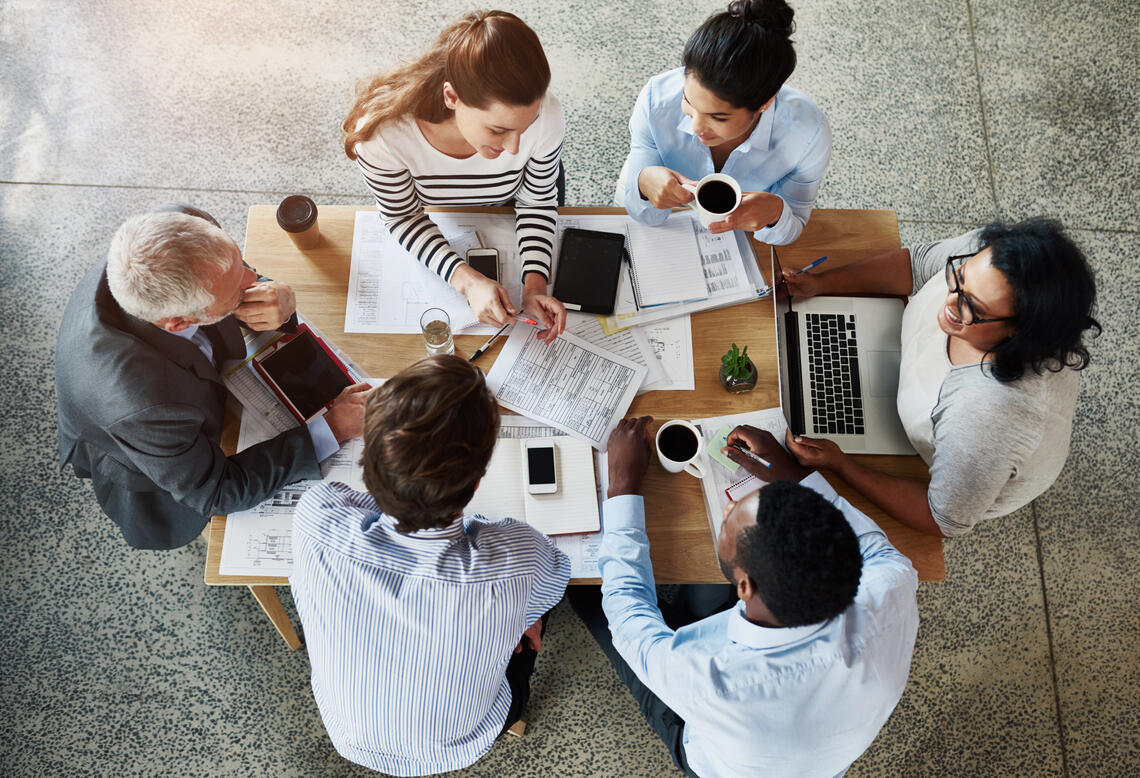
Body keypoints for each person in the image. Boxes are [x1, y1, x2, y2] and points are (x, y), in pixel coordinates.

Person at [570, 418, 918, 778]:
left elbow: (628, 614)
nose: (728, 510)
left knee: (586, 592)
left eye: (732, 521)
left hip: (713, 756)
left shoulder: (709, 683)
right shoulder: (893, 588)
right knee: (696, 598)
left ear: (745, 588)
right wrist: (793, 477)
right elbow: (879, 553)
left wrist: (623, 487)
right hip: (821, 759)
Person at [290, 355, 571, 776]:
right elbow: (557, 574)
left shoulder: (316, 515)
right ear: (477, 484)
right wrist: (520, 617)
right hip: (460, 742)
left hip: (346, 730)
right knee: (537, 612)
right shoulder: (517, 556)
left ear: (368, 467)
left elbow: (352, 503)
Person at [55, 205, 369, 550]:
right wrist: (334, 428)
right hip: (147, 452)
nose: (252, 281)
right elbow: (218, 490)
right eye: (238, 290)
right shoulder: (144, 405)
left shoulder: (182, 222)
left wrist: (272, 293)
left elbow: (237, 275)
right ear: (178, 322)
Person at [779, 218, 1100, 537]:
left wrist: (842, 465)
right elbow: (918, 265)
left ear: (1020, 334)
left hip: (968, 462)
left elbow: (943, 519)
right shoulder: (991, 260)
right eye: (958, 277)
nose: (949, 300)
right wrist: (823, 283)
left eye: (970, 305)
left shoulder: (992, 416)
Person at [343, 9, 566, 343]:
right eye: (498, 129)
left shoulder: (547, 114)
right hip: (439, 216)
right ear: (451, 97)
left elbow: (537, 200)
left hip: (510, 204)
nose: (514, 147)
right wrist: (467, 280)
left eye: (526, 127)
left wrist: (535, 285)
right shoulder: (383, 136)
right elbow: (402, 215)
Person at [617, 0, 830, 245]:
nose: (696, 127)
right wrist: (643, 186)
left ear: (765, 103)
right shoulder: (657, 100)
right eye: (688, 102)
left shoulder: (809, 136)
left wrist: (775, 214)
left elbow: (793, 226)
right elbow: (637, 210)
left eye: (718, 117)